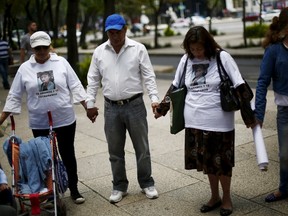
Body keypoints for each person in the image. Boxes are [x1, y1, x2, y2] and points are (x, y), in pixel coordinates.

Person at [154, 26, 255, 216]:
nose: (196, 52)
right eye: (192, 49)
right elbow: (175, 86)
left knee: (222, 162)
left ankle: (226, 198)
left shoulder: (221, 57)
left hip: (219, 121)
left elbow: (239, 84)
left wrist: (249, 117)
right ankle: (214, 196)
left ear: (207, 44)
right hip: (194, 120)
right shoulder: (186, 60)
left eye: (199, 48)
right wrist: (162, 108)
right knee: (208, 162)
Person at [0, 31, 87, 204]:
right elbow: (14, 95)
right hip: (39, 121)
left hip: (64, 119)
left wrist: (88, 107)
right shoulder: (25, 68)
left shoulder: (61, 62)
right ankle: (48, 191)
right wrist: (2, 118)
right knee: (44, 157)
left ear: (49, 46)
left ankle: (74, 189)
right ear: (32, 48)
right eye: (37, 48)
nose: (41, 51)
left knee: (68, 154)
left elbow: (75, 85)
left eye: (44, 47)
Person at [86, 13, 159, 203]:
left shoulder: (138, 49)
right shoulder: (100, 52)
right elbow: (93, 80)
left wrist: (154, 99)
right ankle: (119, 186)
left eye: (118, 32)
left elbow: (148, 76)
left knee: (142, 147)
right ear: (107, 33)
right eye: (110, 33)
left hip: (134, 104)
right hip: (111, 108)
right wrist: (90, 104)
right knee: (115, 150)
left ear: (125, 30)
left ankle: (146, 183)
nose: (115, 36)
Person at [254, 7, 288, 203]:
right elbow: (262, 82)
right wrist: (259, 113)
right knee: (285, 154)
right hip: (285, 111)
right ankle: (284, 188)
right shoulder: (274, 51)